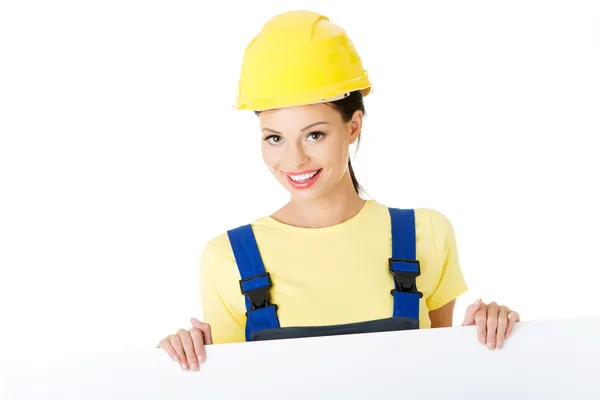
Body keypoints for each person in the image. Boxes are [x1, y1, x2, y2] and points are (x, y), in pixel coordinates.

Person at [157, 10, 520, 372]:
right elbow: (231, 388)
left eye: (314, 134)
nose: (294, 159)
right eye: (275, 138)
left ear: (353, 126)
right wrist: (178, 363)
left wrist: (487, 337)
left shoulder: (426, 235)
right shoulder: (228, 258)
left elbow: (440, 375)